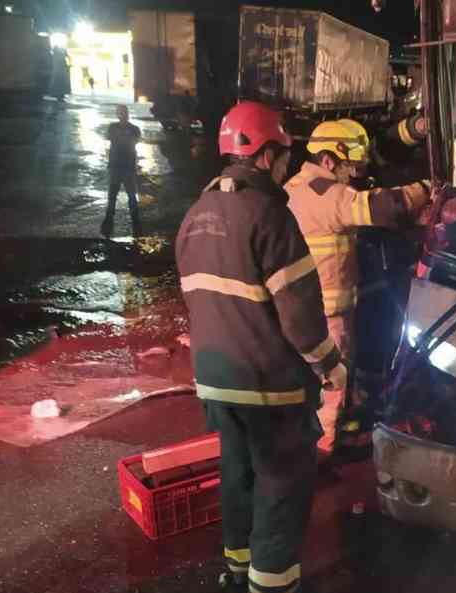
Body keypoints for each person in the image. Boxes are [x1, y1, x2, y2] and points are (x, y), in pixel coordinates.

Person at [176, 101, 347, 592]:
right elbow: (299, 314)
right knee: (282, 486)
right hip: (268, 386)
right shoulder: (269, 215)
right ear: (266, 153)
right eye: (284, 153)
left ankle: (237, 568)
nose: (288, 163)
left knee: (238, 473)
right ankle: (271, 586)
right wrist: (329, 365)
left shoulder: (196, 214)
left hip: (214, 381)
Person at [284, 118, 431, 456]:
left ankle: (322, 438)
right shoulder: (324, 192)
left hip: (310, 303)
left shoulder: (297, 186)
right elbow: (376, 207)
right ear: (327, 160)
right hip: (326, 309)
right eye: (348, 167)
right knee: (331, 379)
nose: (354, 176)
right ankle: (321, 455)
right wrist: (426, 189)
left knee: (321, 377)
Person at [101, 105, 141, 237]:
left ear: (127, 114)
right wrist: (124, 139)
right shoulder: (114, 127)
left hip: (126, 167)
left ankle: (134, 219)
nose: (122, 115)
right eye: (120, 112)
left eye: (123, 112)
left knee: (130, 195)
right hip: (116, 166)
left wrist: (121, 138)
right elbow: (112, 138)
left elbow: (131, 141)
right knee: (113, 194)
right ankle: (110, 218)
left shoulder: (134, 129)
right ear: (118, 114)